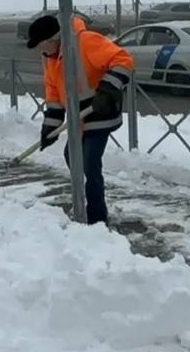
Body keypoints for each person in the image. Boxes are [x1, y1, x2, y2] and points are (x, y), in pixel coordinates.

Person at [27, 13, 134, 225]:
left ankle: (96, 217)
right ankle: (86, 200)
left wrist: (107, 89)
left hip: (100, 111)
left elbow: (123, 61)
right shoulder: (49, 58)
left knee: (88, 162)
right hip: (79, 118)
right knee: (72, 156)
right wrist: (50, 127)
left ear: (53, 39)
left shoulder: (84, 42)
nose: (41, 50)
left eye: (41, 44)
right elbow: (53, 94)